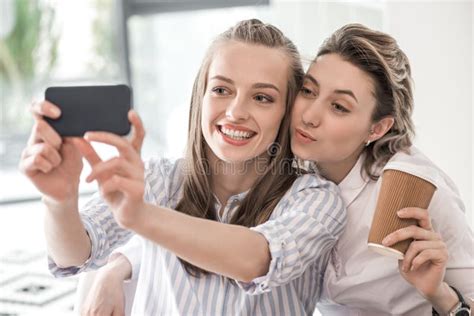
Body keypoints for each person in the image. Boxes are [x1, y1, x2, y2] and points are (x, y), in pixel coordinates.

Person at [19, 19, 346, 315]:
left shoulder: (317, 200)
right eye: (221, 90)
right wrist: (59, 201)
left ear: (287, 112)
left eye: (262, 98)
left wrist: (142, 216)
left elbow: (257, 260)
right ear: (200, 98)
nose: (235, 111)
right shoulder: (157, 179)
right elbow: (74, 255)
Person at [290, 23, 474, 315]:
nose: (309, 116)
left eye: (339, 106)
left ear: (377, 128)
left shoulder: (417, 189)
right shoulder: (290, 169)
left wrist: (439, 294)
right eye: (308, 90)